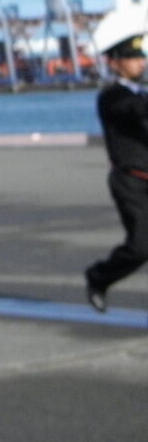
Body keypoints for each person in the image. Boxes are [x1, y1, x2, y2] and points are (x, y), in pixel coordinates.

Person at [84, 33, 148, 312]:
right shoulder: (111, 96)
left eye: (141, 57)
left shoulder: (141, 93)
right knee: (140, 247)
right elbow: (135, 111)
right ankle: (99, 276)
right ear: (115, 63)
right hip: (131, 181)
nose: (140, 63)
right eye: (133, 58)